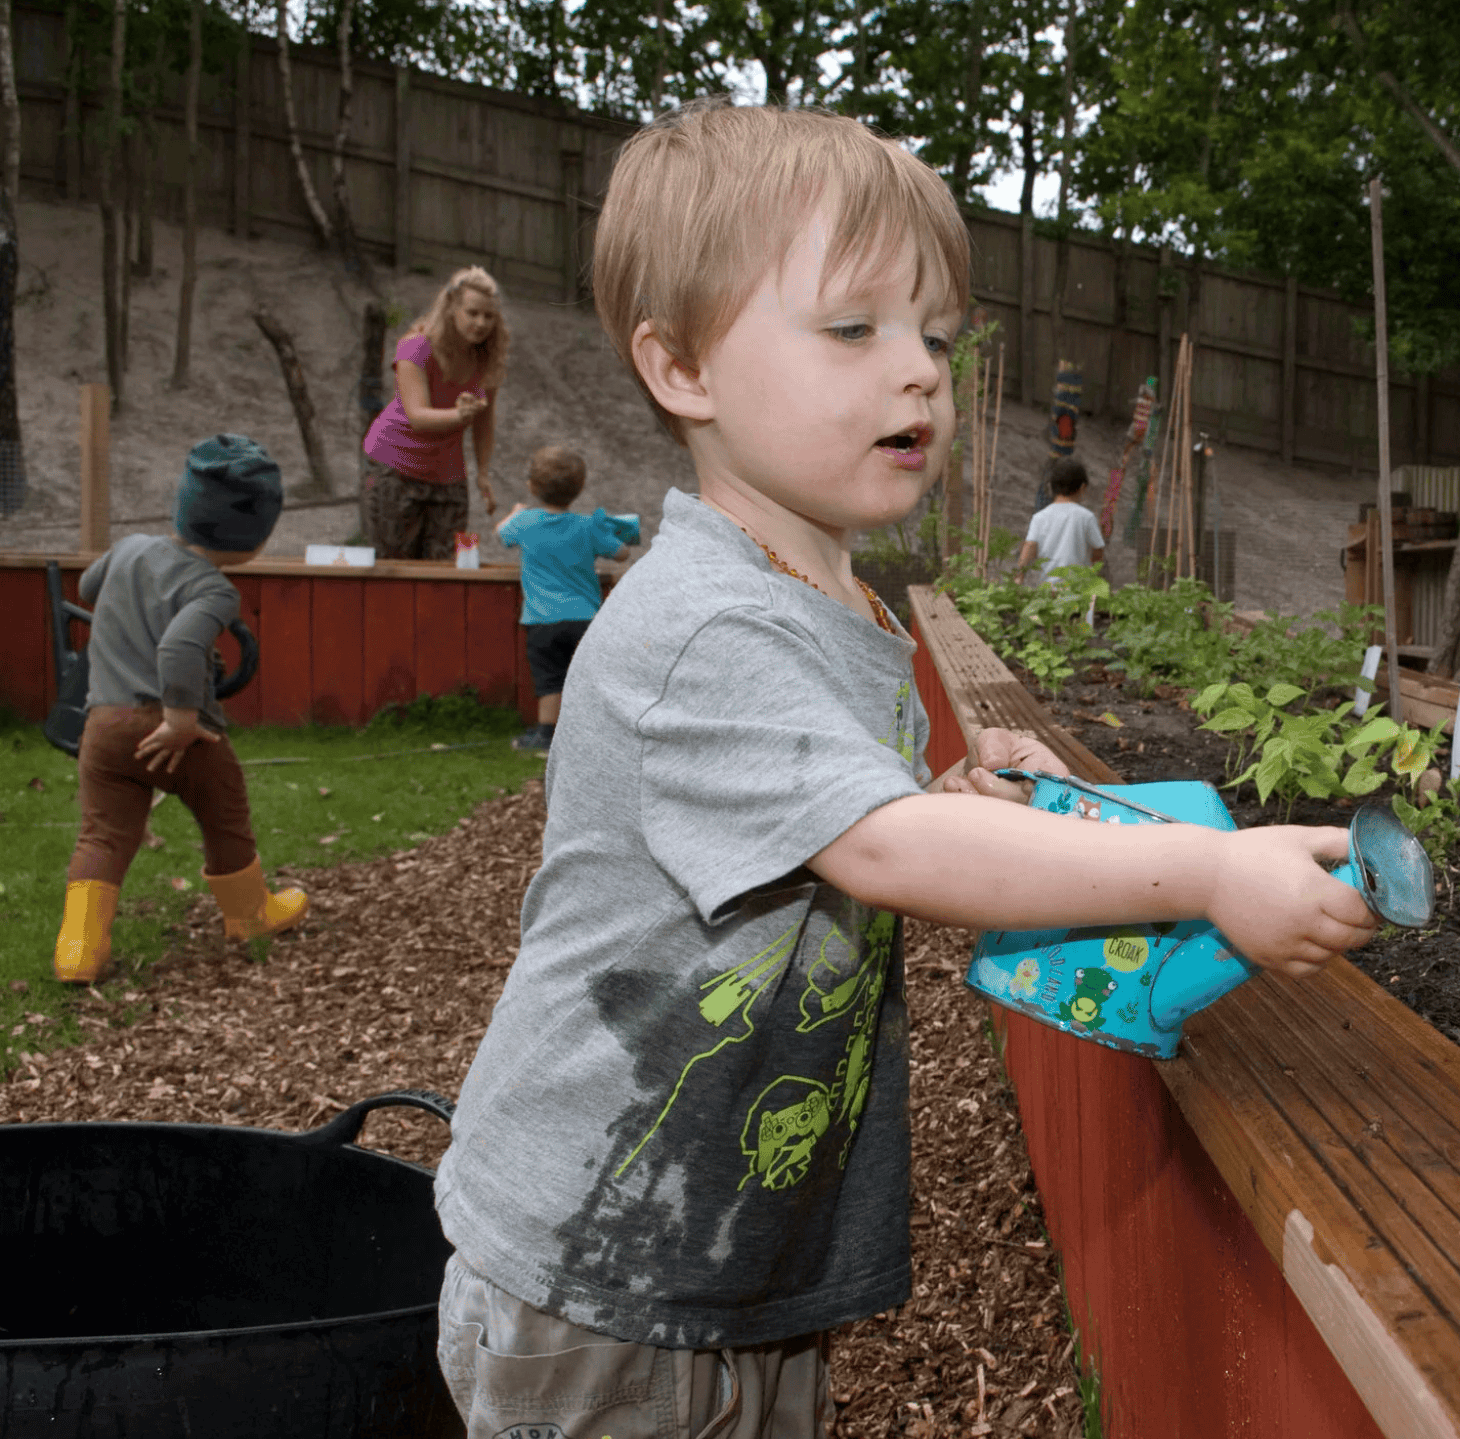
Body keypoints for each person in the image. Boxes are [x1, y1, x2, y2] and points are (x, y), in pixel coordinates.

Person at [429, 100, 1377, 1439]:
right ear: (684, 366)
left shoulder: (828, 595)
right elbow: (875, 848)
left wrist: (943, 796)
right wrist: (1210, 870)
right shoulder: (702, 621)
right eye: (853, 328)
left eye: (932, 334)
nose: (921, 372)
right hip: (605, 1266)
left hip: (716, 1240)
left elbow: (841, 820)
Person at [53, 436, 309, 985]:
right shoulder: (213, 590)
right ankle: (250, 914)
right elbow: (178, 648)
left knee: (102, 833)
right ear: (254, 538)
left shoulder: (130, 548)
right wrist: (180, 721)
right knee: (223, 813)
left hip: (104, 725)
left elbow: (90, 586)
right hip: (174, 730)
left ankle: (79, 950)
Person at [494, 446, 638, 753]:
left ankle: (547, 734)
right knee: (587, 677)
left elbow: (501, 533)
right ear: (579, 488)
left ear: (532, 486)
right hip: (585, 619)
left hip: (542, 620)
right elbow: (623, 553)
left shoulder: (525, 522)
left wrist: (515, 512)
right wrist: (608, 530)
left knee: (550, 678)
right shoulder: (587, 527)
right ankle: (595, 733)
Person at [361, 266, 509, 560]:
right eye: (472, 313)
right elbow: (417, 416)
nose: (481, 323)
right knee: (394, 567)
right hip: (394, 467)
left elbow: (484, 420)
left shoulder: (487, 358)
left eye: (489, 316)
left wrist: (483, 473)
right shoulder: (416, 346)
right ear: (452, 308)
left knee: (444, 569)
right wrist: (458, 415)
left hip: (448, 475)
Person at [1015, 455, 1104, 582]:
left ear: (1051, 487)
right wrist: (1092, 574)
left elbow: (1030, 546)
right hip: (1076, 588)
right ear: (1082, 488)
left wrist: (1019, 576)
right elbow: (1098, 549)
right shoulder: (1087, 517)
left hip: (1047, 587)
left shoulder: (1039, 517)